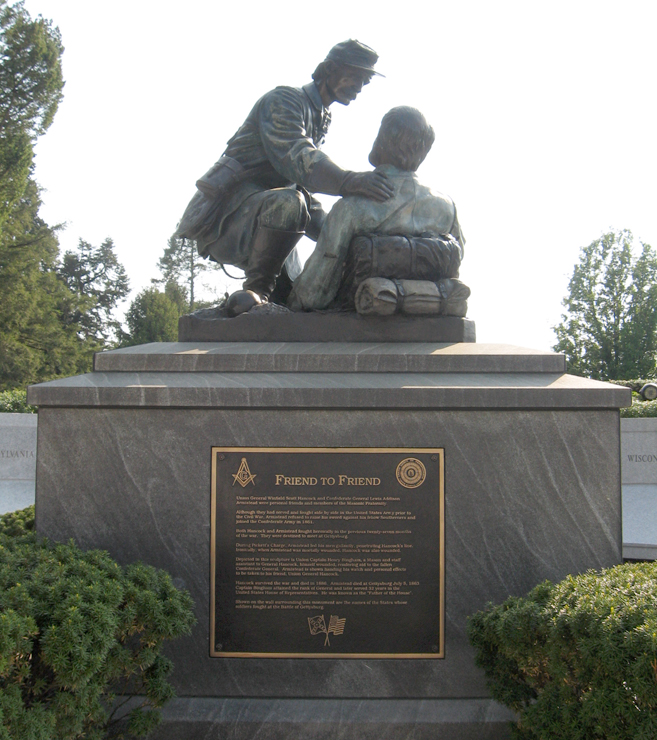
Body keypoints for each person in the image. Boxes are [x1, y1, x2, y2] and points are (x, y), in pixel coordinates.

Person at [175, 40, 393, 316]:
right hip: (228, 213)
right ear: (329, 69)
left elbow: (301, 188)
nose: (359, 88)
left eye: (365, 82)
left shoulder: (320, 115)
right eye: (355, 77)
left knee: (296, 299)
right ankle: (257, 291)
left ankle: (270, 295)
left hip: (271, 215)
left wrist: (342, 230)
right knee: (289, 203)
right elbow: (296, 156)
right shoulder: (284, 101)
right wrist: (349, 181)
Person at [288, 106, 464, 311]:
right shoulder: (447, 208)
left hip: (355, 323)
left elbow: (314, 293)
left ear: (385, 140)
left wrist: (288, 300)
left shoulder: (352, 207)